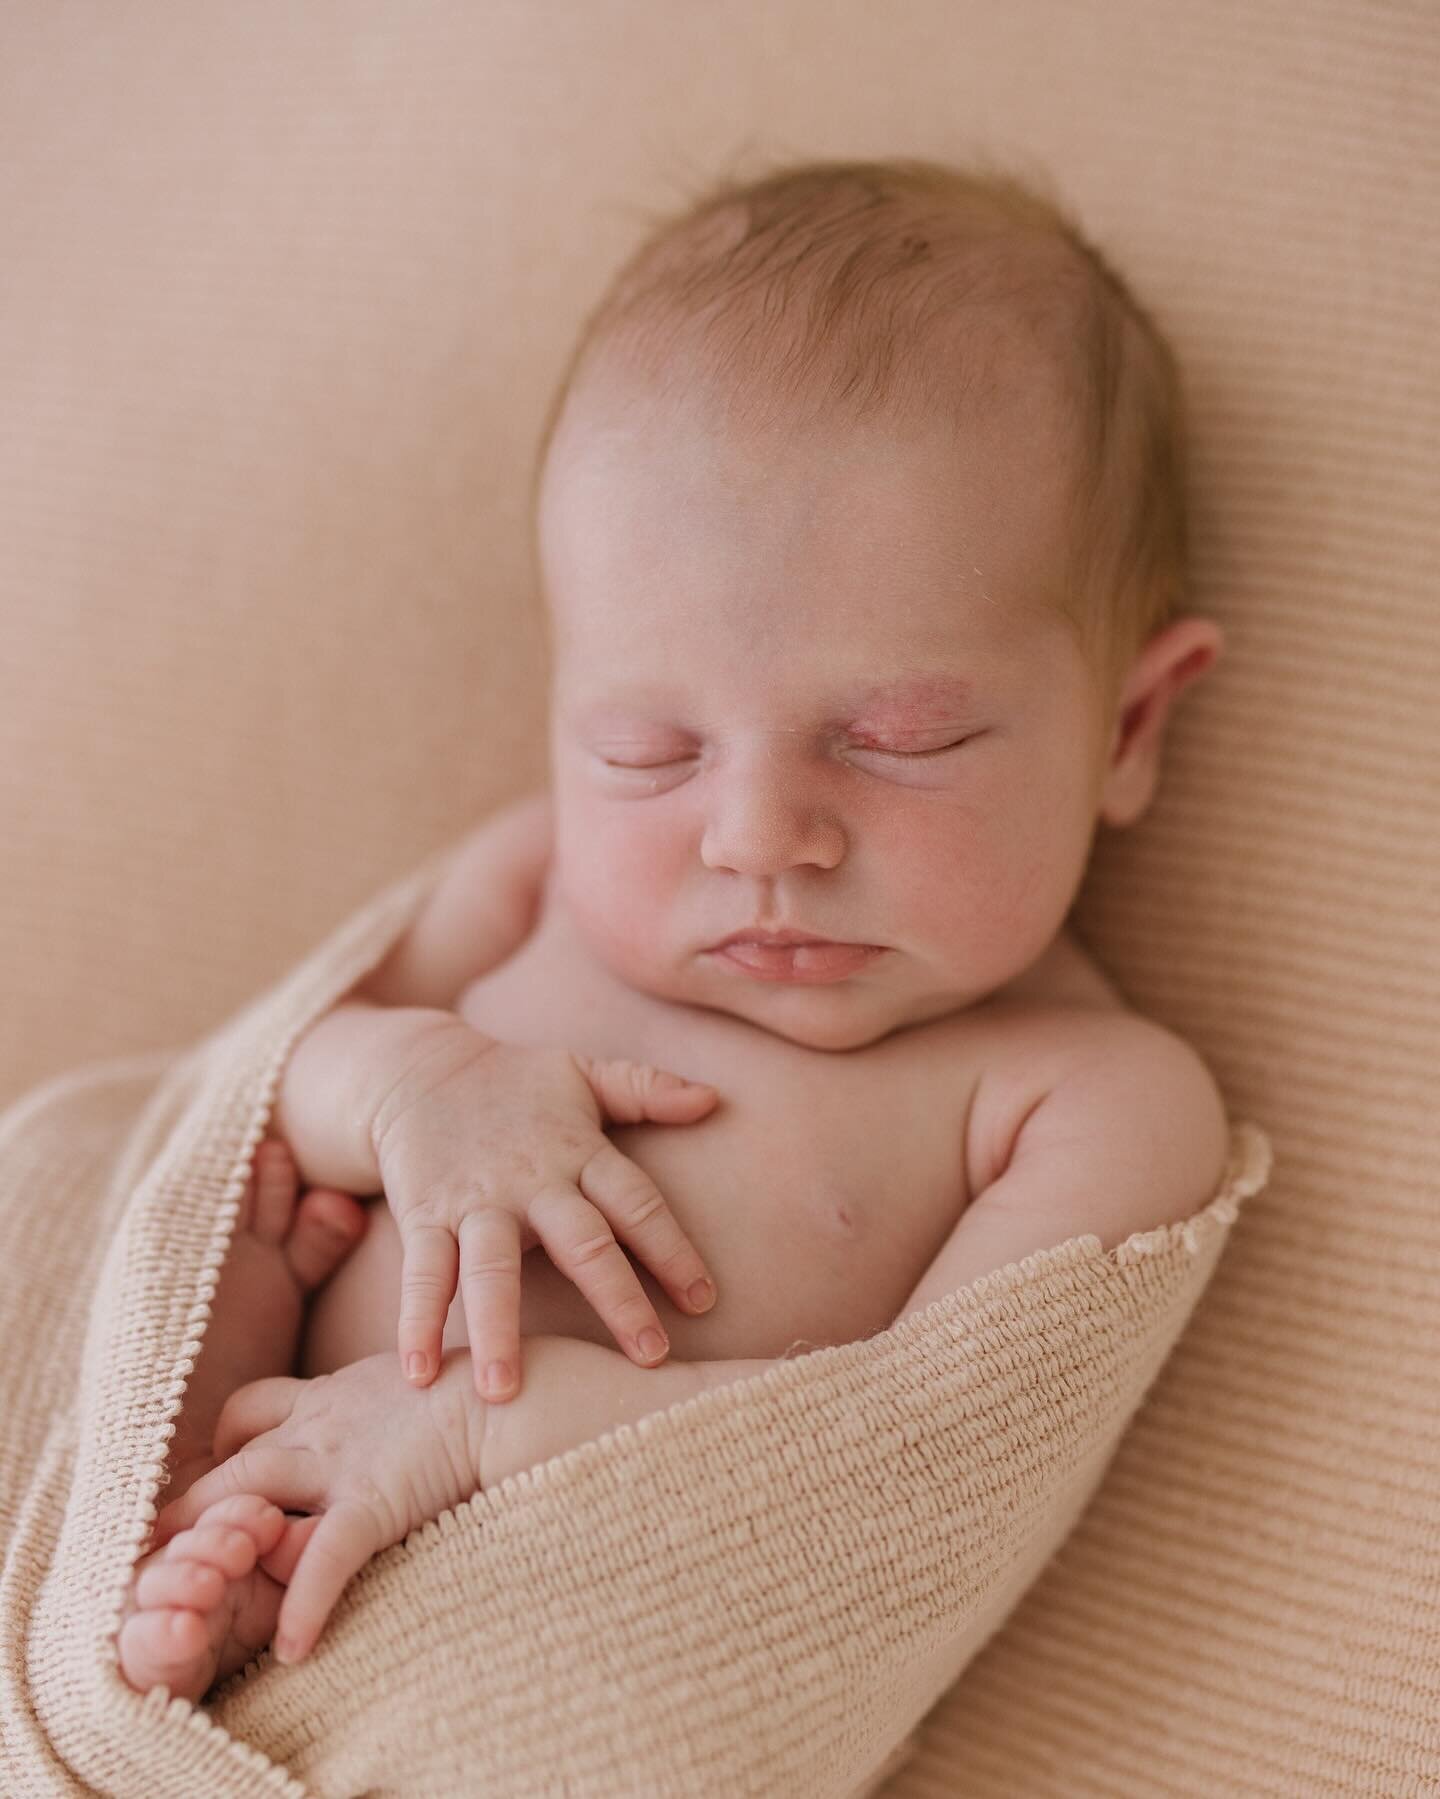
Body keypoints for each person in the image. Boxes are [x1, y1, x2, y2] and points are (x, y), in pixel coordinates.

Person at [117, 153, 1232, 1699]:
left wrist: (494, 1426)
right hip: (244, 1452)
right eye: (650, 751)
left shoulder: (1088, 1099)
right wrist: (407, 1087)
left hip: (556, 1634)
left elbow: (909, 1469)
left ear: (1125, 728)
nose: (760, 835)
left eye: (899, 737)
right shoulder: (537, 884)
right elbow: (254, 1106)